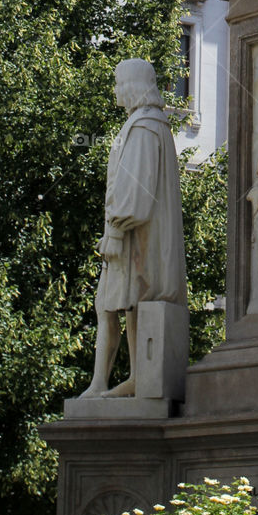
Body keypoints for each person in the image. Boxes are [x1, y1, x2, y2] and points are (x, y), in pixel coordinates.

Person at [79, 59, 187, 398]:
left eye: (118, 84)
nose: (115, 92)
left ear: (132, 86)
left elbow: (134, 194)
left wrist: (114, 230)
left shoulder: (143, 128)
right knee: (122, 307)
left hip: (133, 239)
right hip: (137, 238)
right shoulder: (151, 126)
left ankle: (117, 381)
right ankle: (124, 379)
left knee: (116, 306)